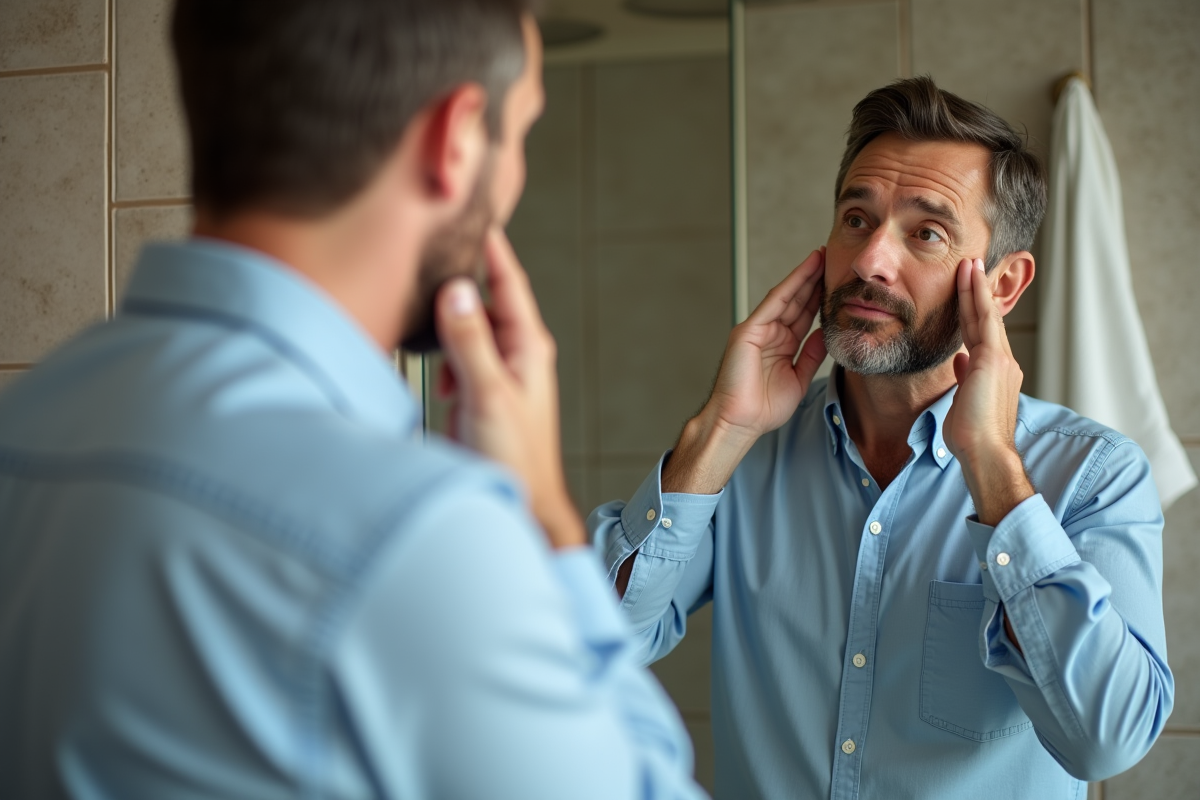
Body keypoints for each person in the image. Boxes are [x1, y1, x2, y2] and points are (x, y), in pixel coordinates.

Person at [0, 2, 708, 798]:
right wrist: (545, 517)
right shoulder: (420, 534)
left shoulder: (27, 424)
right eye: (520, 131)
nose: (515, 176)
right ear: (458, 138)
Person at [590, 76, 1173, 800]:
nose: (869, 262)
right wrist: (720, 429)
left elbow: (1107, 739)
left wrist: (994, 471)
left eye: (925, 232)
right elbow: (591, 640)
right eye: (856, 219)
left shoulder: (1093, 475)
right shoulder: (743, 458)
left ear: (1002, 286)